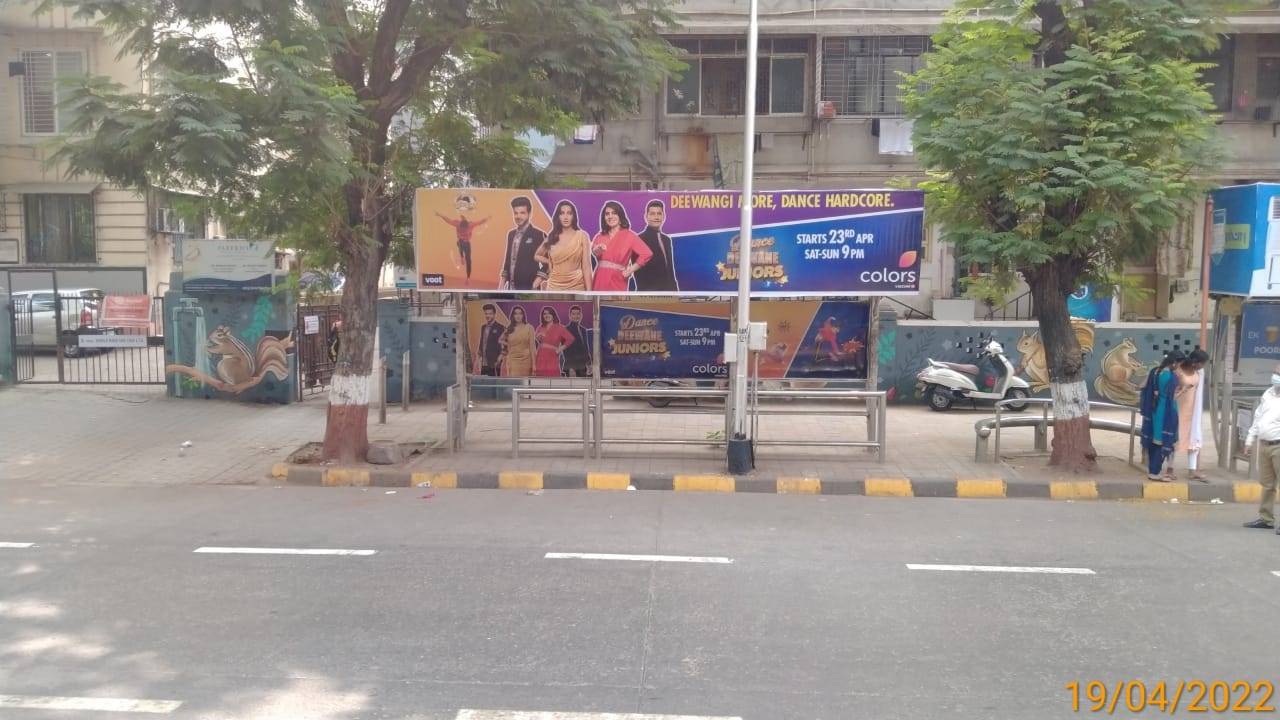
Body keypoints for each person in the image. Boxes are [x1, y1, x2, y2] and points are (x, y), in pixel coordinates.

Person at [1242, 362, 1280, 531]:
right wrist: (1250, 440)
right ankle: (1266, 518)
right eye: (1275, 372)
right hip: (1264, 445)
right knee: (1267, 484)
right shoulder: (1268, 393)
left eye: (1278, 373)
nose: (1275, 376)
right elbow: (1258, 418)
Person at [1139, 350, 1183, 481]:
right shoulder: (1171, 377)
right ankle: (1155, 472)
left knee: (1154, 440)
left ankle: (1152, 470)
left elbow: (1144, 387)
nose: (1179, 366)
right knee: (1162, 441)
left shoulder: (1155, 371)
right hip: (1166, 412)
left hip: (1154, 410)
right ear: (1174, 362)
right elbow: (1172, 397)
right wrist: (1184, 390)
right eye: (1179, 364)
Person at [591, 201, 653, 292]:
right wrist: (597, 249)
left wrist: (631, 269)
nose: (610, 216)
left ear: (620, 216)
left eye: (614, 213)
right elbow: (595, 253)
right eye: (607, 214)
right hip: (600, 278)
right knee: (598, 305)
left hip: (618, 279)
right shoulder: (600, 236)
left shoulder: (630, 236)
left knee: (616, 305)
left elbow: (647, 253)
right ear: (604, 218)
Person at [534, 200, 593, 291]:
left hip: (576, 284)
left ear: (573, 216)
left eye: (569, 213)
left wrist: (589, 292)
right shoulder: (552, 237)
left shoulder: (582, 236)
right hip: (554, 285)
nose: (565, 217)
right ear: (558, 216)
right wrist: (549, 261)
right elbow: (537, 255)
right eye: (562, 213)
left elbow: (586, 266)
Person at [1172, 349, 1209, 481]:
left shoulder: (1200, 372)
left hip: (1193, 410)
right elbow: (1172, 390)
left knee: (1194, 439)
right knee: (1174, 438)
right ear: (1195, 362)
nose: (1203, 366)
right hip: (1178, 408)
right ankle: (1169, 469)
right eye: (1202, 363)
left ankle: (1192, 470)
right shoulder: (1178, 370)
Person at [499, 196, 547, 291]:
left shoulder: (539, 235)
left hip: (529, 289)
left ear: (529, 214)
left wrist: (535, 283)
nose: (518, 216)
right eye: (515, 213)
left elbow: (550, 261)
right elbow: (507, 260)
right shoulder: (511, 234)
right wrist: (501, 286)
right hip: (511, 289)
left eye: (522, 213)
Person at [633, 200, 678, 292]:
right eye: (652, 214)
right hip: (648, 292)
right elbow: (637, 271)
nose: (656, 217)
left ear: (663, 216)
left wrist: (675, 291)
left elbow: (670, 269)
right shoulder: (639, 239)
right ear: (646, 217)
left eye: (659, 213)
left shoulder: (667, 240)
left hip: (670, 292)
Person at [435, 211, 489, 281]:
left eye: (464, 230)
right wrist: (440, 214)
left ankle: (468, 277)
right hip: (460, 242)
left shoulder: (471, 224)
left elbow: (480, 222)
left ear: (467, 226)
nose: (463, 231)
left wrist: (487, 218)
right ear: (460, 225)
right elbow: (447, 220)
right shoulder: (457, 224)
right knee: (460, 242)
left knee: (468, 260)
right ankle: (462, 257)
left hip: (467, 243)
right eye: (462, 229)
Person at [534, 307, 575, 378]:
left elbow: (570, 338)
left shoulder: (559, 327)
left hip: (552, 355)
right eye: (544, 314)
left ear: (553, 315)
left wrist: (560, 349)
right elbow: (538, 342)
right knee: (540, 379)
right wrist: (538, 338)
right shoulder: (540, 328)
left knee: (552, 376)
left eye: (549, 313)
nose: (547, 315)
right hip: (540, 356)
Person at [499, 306, 535, 377]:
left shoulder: (529, 327)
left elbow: (532, 347)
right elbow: (500, 340)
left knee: (525, 383)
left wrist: (534, 365)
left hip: (526, 360)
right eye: (515, 314)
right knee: (514, 382)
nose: (518, 316)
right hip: (513, 360)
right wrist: (509, 345)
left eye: (520, 313)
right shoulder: (510, 328)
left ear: (523, 315)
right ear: (513, 316)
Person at [475, 303, 506, 376]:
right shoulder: (483, 327)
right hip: (484, 363)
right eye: (486, 314)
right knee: (485, 384)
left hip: (494, 364)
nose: (488, 316)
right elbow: (482, 342)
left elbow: (504, 346)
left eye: (490, 314)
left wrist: (499, 360)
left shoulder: (500, 327)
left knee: (494, 384)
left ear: (494, 314)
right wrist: (478, 359)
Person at [562, 305, 592, 378]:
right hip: (572, 367)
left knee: (584, 388)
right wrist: (570, 368)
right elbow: (566, 350)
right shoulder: (566, 330)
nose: (576, 316)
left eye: (578, 314)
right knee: (573, 388)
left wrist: (589, 364)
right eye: (573, 314)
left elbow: (585, 348)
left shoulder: (583, 330)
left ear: (581, 315)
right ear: (570, 316)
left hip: (583, 367)